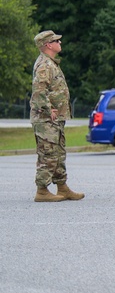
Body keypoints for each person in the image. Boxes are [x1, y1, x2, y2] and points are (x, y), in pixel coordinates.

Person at [30, 30, 84, 202]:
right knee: (48, 154)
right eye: (56, 41)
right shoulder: (45, 65)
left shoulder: (51, 63)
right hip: (46, 119)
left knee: (58, 153)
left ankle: (62, 187)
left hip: (55, 119)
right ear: (48, 45)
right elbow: (39, 91)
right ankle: (42, 191)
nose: (59, 43)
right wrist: (47, 109)